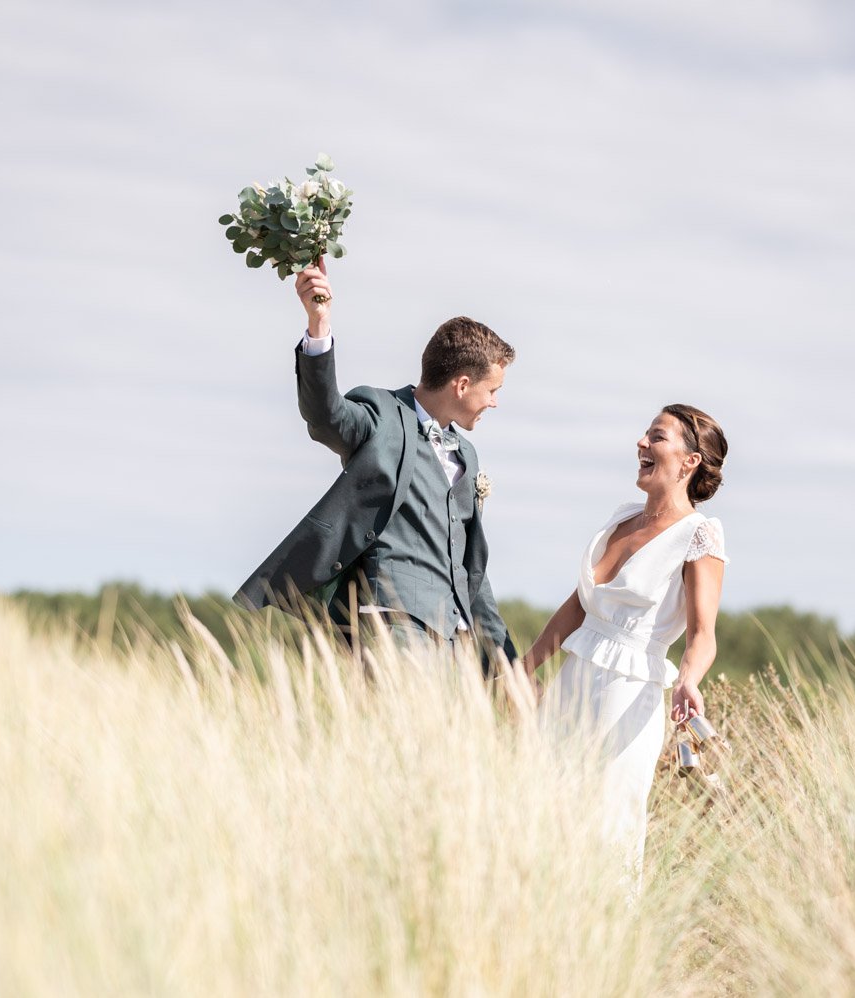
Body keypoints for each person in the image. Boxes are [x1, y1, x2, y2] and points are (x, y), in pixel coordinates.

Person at [233, 260, 520, 669]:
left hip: (454, 644)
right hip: (392, 628)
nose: (494, 401)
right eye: (493, 390)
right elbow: (326, 415)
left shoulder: (467, 456)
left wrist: (505, 666)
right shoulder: (381, 413)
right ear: (462, 384)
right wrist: (319, 324)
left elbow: (472, 570)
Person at [521, 404, 728, 885]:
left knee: (606, 821)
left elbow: (702, 635)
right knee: (548, 809)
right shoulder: (621, 518)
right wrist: (525, 667)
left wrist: (689, 681)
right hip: (573, 677)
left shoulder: (700, 535)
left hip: (629, 689)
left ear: (689, 461)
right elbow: (579, 606)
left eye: (656, 437)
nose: (640, 443)